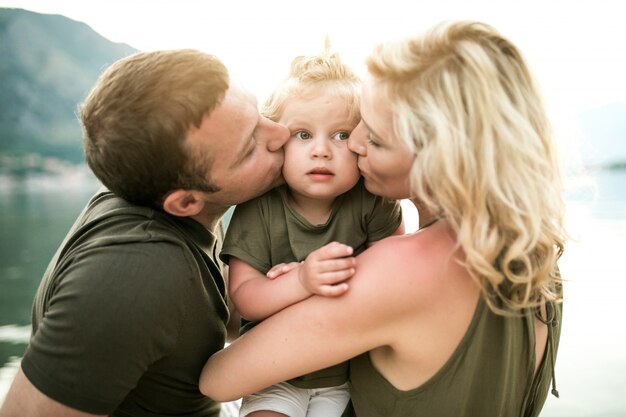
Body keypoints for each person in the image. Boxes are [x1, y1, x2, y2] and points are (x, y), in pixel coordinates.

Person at [200, 21, 567, 417]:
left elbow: (218, 379)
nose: (354, 144)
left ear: (437, 161)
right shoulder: (538, 256)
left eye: (373, 138)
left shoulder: (397, 269)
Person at [0, 49, 289, 417]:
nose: (281, 133)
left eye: (260, 112)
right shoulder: (135, 272)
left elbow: (216, 321)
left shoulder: (158, 208)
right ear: (185, 202)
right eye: (251, 146)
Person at [220, 49, 404, 417]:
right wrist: (302, 281)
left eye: (340, 135)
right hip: (274, 373)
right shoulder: (260, 207)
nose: (321, 151)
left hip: (350, 373)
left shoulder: (373, 202)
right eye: (303, 134)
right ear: (278, 142)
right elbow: (244, 298)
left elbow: (398, 277)